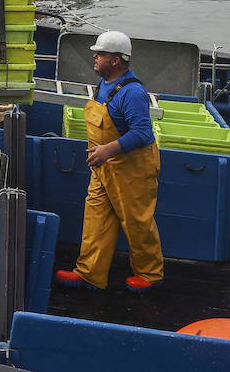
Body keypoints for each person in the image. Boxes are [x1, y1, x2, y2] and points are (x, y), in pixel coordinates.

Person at [55, 30, 164, 293]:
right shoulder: (103, 85)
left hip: (132, 169)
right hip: (104, 168)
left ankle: (150, 275)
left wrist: (107, 150)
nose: (94, 56)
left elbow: (142, 133)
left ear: (116, 60)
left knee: (137, 221)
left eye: (100, 53)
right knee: (96, 218)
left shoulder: (132, 93)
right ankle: (90, 273)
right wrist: (102, 155)